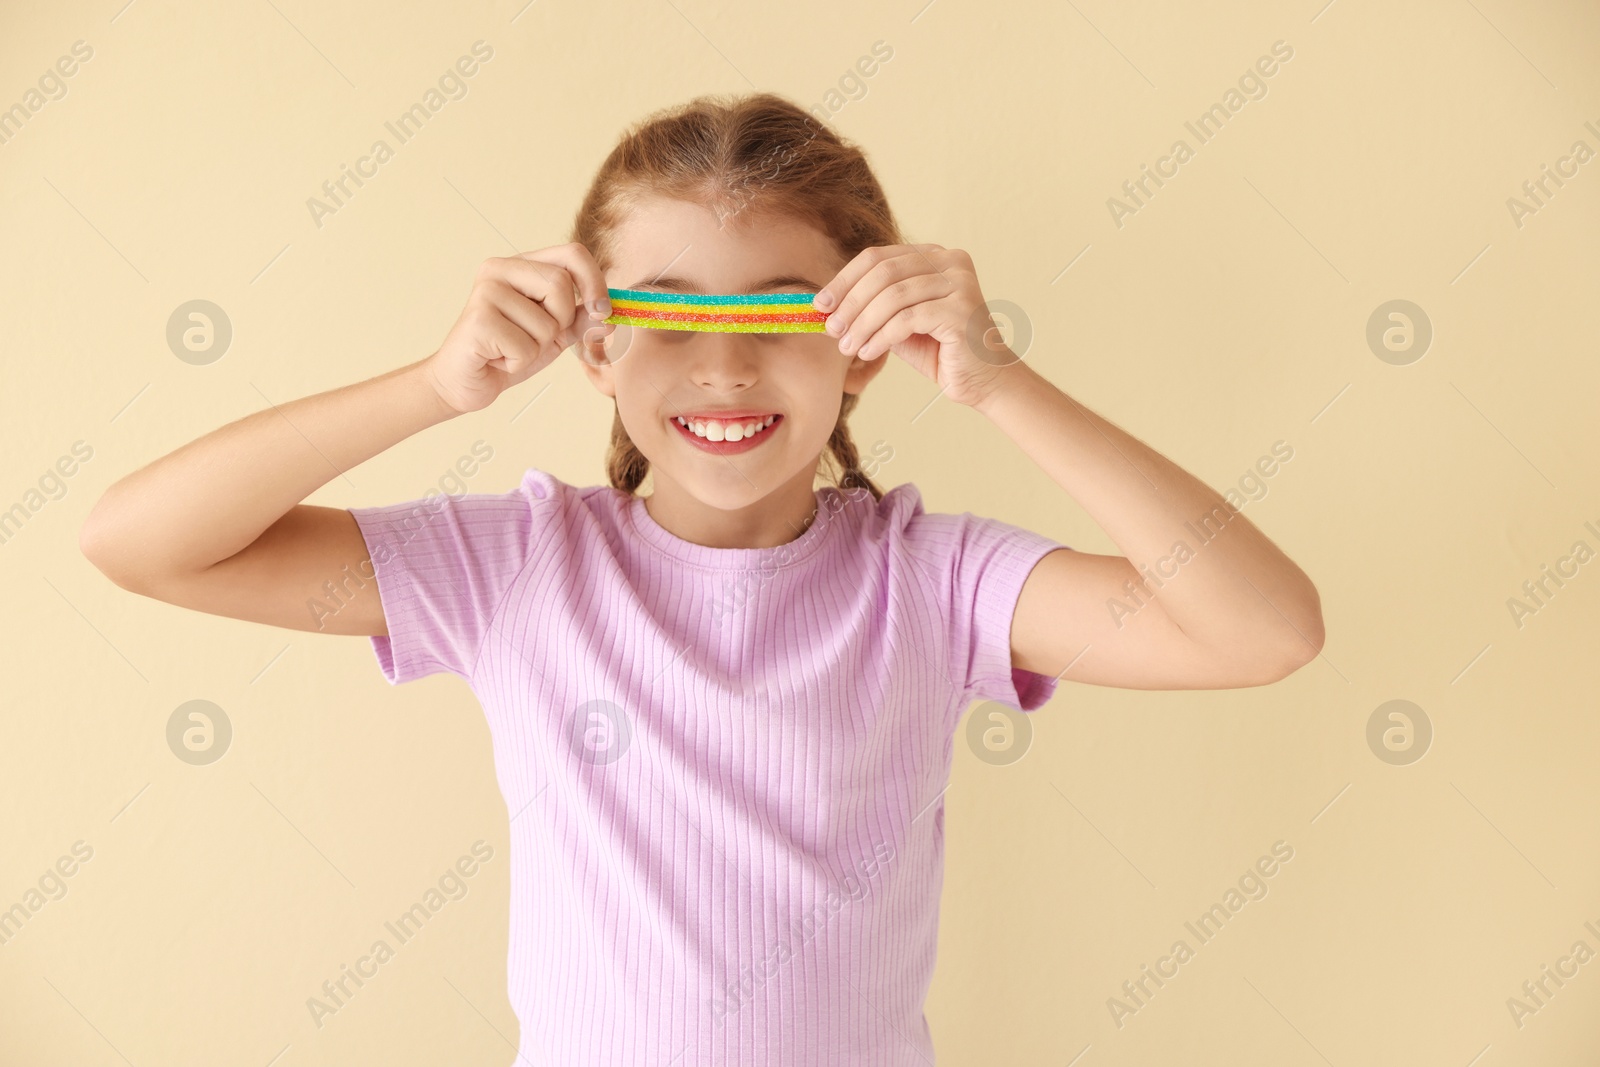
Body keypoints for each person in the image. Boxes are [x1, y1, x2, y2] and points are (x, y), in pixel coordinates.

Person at [80, 91, 1324, 1065]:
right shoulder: (512, 566)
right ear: (594, 347)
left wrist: (999, 379)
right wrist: (432, 385)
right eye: (667, 316)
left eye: (778, 317)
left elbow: (1261, 631)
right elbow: (139, 541)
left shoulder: (933, 581)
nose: (723, 367)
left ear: (863, 356)